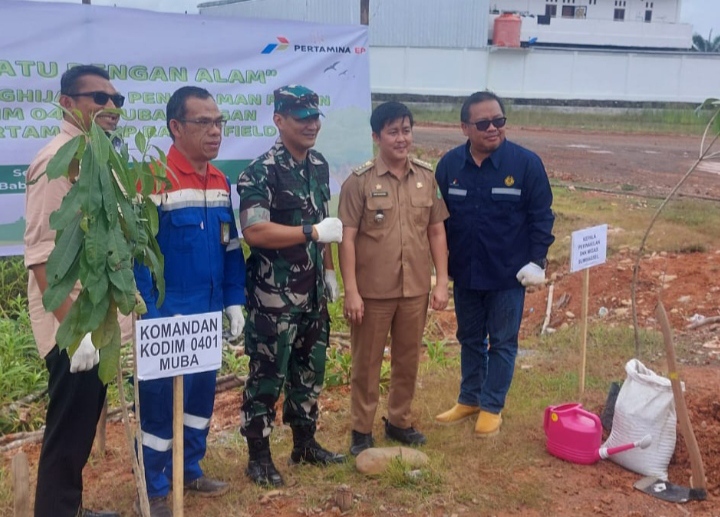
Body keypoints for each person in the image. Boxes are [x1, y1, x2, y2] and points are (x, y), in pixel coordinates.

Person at [134, 86, 246, 516]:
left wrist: (234, 301)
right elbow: (139, 256)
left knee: (200, 398)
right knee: (159, 402)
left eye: (219, 122)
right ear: (176, 127)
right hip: (166, 316)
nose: (215, 131)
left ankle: (189, 467)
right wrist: (151, 314)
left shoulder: (218, 181)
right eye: (204, 122)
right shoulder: (152, 179)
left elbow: (230, 248)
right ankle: (155, 485)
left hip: (207, 313)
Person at [24, 64, 126, 517]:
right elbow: (43, 256)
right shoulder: (57, 161)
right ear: (67, 103)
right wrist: (75, 329)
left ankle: (69, 508)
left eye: (116, 100)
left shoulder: (98, 154)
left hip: (96, 321)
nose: (110, 107)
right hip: (74, 323)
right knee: (68, 426)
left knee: (83, 420)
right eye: (98, 98)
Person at [237, 84, 345, 488]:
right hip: (274, 298)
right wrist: (310, 231)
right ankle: (259, 455)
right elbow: (255, 230)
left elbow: (327, 227)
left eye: (315, 117)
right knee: (267, 376)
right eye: (301, 118)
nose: (311, 124)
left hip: (313, 291)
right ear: (279, 120)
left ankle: (305, 442)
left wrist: (329, 272)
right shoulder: (260, 171)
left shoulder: (317, 165)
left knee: (309, 372)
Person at [434, 90, 555, 437]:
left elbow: (541, 217)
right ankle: (469, 398)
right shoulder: (450, 166)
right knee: (469, 338)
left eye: (499, 121)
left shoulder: (526, 164)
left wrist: (538, 261)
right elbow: (437, 222)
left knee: (501, 342)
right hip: (467, 273)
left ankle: (491, 406)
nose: (493, 129)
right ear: (464, 128)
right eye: (483, 123)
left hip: (507, 275)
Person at [338, 102, 450, 456]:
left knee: (408, 359)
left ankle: (399, 421)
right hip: (373, 291)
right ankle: (361, 429)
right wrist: (351, 291)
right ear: (376, 137)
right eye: (393, 132)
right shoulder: (359, 182)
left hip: (415, 288)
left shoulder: (425, 177)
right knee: (366, 363)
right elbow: (347, 238)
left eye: (406, 130)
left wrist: (441, 280)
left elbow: (436, 232)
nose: (402, 139)